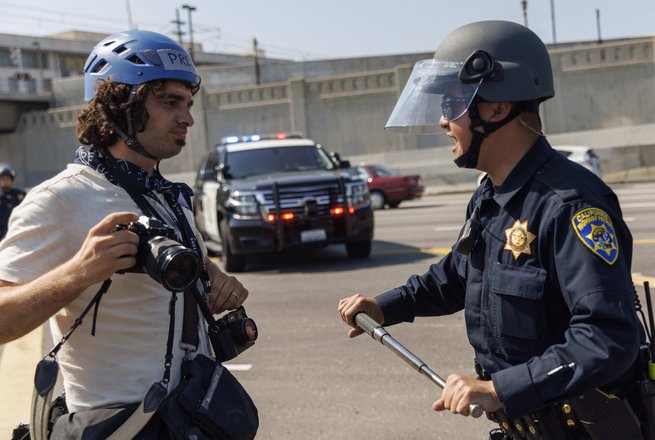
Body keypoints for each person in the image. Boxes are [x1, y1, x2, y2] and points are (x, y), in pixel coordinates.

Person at [338, 20, 647, 439]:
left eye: (453, 104)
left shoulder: (569, 204)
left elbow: (607, 338)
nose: (445, 122)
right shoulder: (493, 195)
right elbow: (457, 275)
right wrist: (385, 307)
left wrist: (500, 388)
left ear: (497, 109)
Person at [0, 30, 249, 438]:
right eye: (169, 102)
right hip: (120, 427)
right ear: (119, 105)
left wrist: (211, 276)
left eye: (188, 103)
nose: (187, 117)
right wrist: (78, 272)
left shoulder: (168, 196)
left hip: (192, 417)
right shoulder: (60, 199)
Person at [0, 162, 26, 240]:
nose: (5, 181)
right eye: (3, 179)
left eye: (8, 178)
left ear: (12, 179)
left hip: (19, 232)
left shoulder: (20, 194)